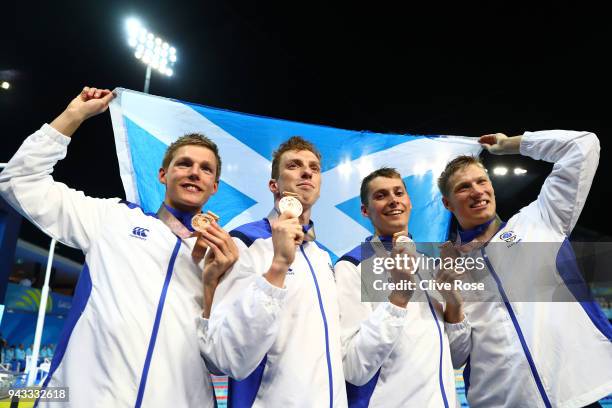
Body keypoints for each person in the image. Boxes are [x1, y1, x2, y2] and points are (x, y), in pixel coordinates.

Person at [0, 87, 238, 407]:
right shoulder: (111, 219)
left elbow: (226, 357)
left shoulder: (224, 256)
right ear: (163, 174)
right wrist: (74, 116)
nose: (195, 172)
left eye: (205, 168)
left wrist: (213, 285)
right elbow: (18, 181)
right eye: (184, 164)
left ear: (214, 186)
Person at [438, 131, 612, 407]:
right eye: (463, 187)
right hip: (504, 401)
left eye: (482, 181)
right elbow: (456, 355)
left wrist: (510, 145)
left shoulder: (539, 221)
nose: (477, 191)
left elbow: (583, 145)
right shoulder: (447, 268)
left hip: (576, 395)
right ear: (447, 203)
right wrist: (452, 300)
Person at [198, 136, 347, 406]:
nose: (307, 172)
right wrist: (278, 265)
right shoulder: (244, 242)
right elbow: (225, 356)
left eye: (314, 168)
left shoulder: (322, 255)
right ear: (273, 185)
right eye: (294, 165)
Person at [335, 167, 468, 407]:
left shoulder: (430, 265)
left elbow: (456, 357)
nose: (393, 200)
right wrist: (399, 298)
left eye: (398, 193)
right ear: (365, 211)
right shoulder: (352, 266)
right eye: (381, 195)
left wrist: (454, 303)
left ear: (409, 202)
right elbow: (354, 368)